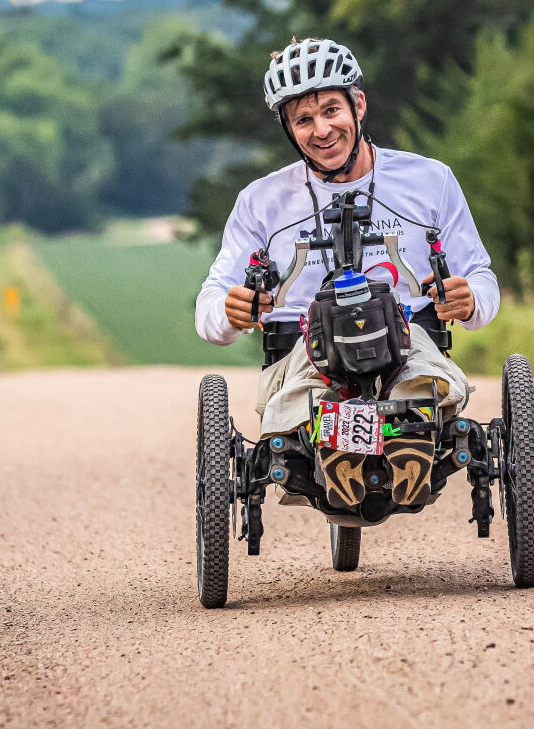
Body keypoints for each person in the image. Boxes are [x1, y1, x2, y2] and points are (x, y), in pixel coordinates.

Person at [195, 38, 499, 437]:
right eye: (303, 120)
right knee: (304, 391)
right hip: (306, 347)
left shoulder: (431, 181)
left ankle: (401, 430)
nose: (321, 130)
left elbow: (480, 274)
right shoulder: (260, 202)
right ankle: (339, 439)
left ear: (358, 105)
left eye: (331, 110)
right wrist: (230, 313)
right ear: (289, 129)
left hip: (408, 338)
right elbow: (211, 302)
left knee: (420, 375)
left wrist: (471, 299)